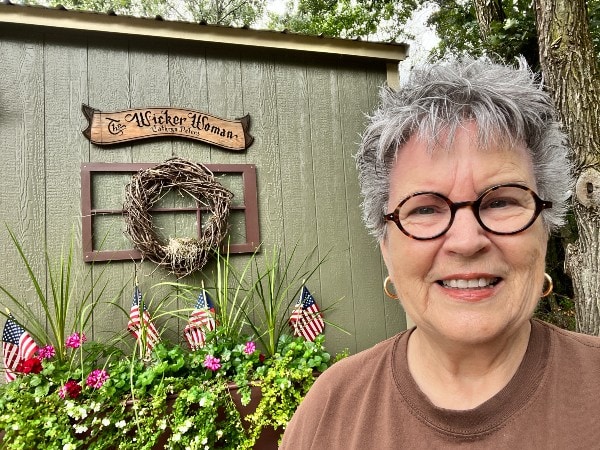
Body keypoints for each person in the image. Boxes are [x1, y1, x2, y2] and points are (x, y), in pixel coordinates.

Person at [279, 57, 600, 448]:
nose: (466, 242)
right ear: (386, 246)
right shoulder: (330, 410)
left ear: (544, 229)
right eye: (426, 209)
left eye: (500, 202)